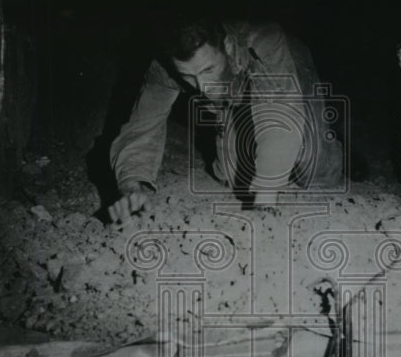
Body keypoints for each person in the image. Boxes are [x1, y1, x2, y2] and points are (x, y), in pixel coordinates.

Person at [107, 16, 343, 223]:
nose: (202, 88)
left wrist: (265, 199)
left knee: (315, 167)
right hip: (234, 96)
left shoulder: (263, 37)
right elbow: (141, 128)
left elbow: (281, 110)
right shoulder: (164, 67)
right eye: (188, 77)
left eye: (208, 70)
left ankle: (330, 138)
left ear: (227, 47)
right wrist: (131, 187)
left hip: (282, 70)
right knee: (231, 176)